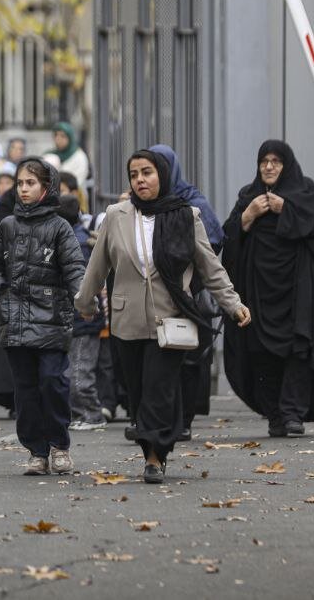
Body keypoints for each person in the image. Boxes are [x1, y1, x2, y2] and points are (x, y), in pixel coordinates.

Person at [75, 151, 250, 483]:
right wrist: (85, 303)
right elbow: (97, 266)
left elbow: (209, 267)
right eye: (134, 174)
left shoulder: (186, 215)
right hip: (127, 320)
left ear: (163, 175)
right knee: (139, 392)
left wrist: (233, 303)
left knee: (160, 386)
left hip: (170, 318)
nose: (140, 180)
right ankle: (152, 449)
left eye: (147, 172)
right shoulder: (116, 215)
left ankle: (154, 456)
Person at [222, 140, 314, 437]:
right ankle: (275, 415)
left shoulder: (305, 192)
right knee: (261, 352)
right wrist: (248, 216)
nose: (268, 167)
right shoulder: (248, 196)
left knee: (298, 348)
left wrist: (286, 209)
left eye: (275, 161)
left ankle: (292, 413)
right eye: (264, 161)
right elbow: (228, 239)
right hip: (258, 289)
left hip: (298, 288)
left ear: (286, 164)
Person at [0, 158, 85, 476]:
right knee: (25, 390)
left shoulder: (60, 227)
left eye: (31, 183)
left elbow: (74, 268)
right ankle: (37, 452)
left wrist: (83, 297)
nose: (24, 189)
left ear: (46, 187)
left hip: (52, 317)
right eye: (20, 183)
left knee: (53, 382)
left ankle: (59, 446)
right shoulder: (7, 226)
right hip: (15, 320)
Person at [149, 143, 223, 441]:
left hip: (188, 292)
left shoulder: (193, 203)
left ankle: (184, 420)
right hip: (152, 294)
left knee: (187, 358)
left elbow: (213, 242)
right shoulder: (140, 205)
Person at [60, 194, 106, 433]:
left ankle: (92, 414)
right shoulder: (82, 237)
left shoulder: (75, 243)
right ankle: (82, 414)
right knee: (76, 371)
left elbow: (82, 283)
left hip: (84, 317)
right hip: (82, 316)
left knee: (79, 373)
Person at [46, 122, 90, 192]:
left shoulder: (79, 156)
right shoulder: (50, 155)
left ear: (70, 138)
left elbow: (77, 182)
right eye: (56, 135)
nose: (58, 139)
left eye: (62, 136)